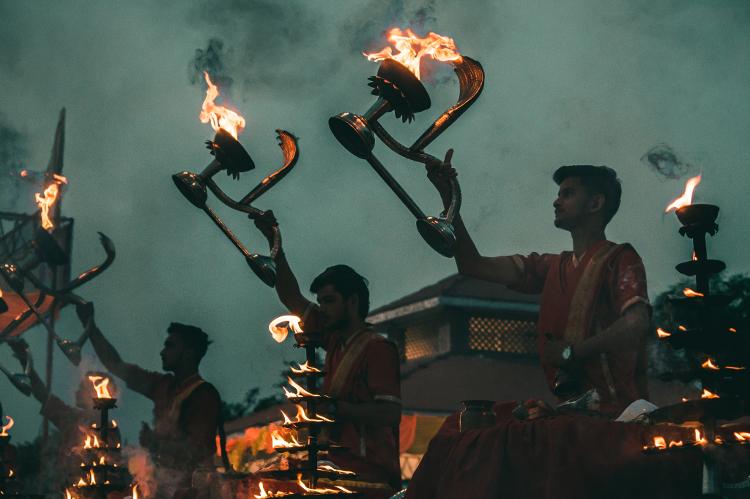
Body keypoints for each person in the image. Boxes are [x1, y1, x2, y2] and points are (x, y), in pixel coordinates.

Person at [426, 153, 651, 416]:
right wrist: (449, 199)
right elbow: (473, 265)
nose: (556, 201)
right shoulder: (550, 267)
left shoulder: (621, 258)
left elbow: (637, 323)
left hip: (619, 415)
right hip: (569, 412)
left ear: (595, 203)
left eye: (567, 194)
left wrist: (573, 352)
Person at [255, 214, 402, 499]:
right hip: (335, 466)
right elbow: (291, 297)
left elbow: (390, 413)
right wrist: (275, 242)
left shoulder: (378, 348)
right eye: (320, 302)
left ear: (353, 302)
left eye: (329, 301)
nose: (321, 308)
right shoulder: (334, 339)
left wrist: (334, 409)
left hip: (367, 474)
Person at [80, 303, 222, 499]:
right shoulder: (163, 385)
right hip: (164, 488)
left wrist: (155, 443)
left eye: (170, 345)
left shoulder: (204, 395)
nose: (162, 352)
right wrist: (90, 327)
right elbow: (116, 365)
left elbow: (196, 451)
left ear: (189, 352)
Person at [7, 338, 122, 492]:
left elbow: (107, 469)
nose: (78, 389)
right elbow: (42, 394)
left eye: (84, 386)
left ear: (97, 392)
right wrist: (25, 361)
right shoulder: (71, 417)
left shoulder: (107, 428)